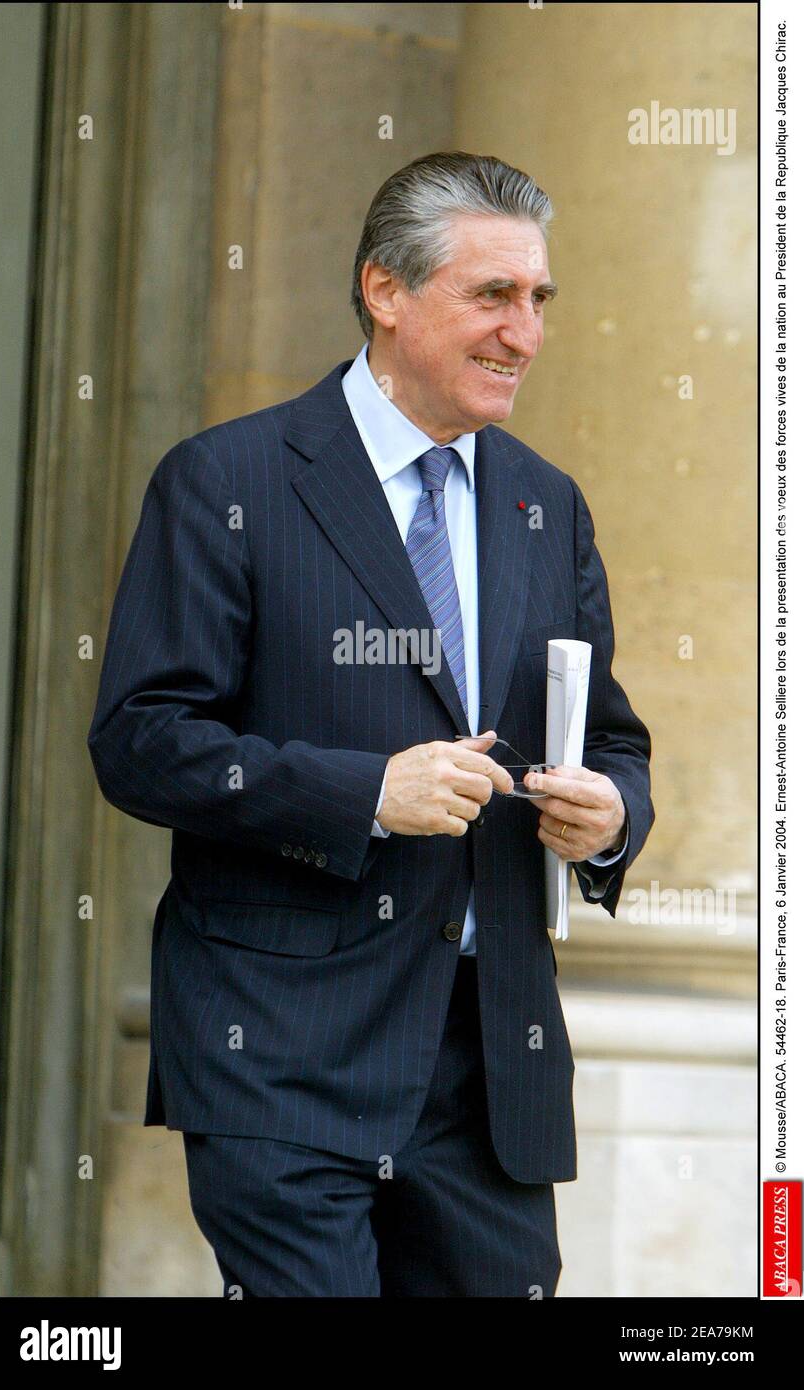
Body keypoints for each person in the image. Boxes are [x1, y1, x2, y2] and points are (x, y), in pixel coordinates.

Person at [87, 151, 654, 1297]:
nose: (525, 332)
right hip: (285, 1056)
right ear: (386, 292)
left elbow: (614, 740)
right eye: (491, 295)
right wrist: (361, 793)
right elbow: (141, 737)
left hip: (489, 1072)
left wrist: (611, 816)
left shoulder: (548, 504)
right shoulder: (227, 479)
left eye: (538, 299)